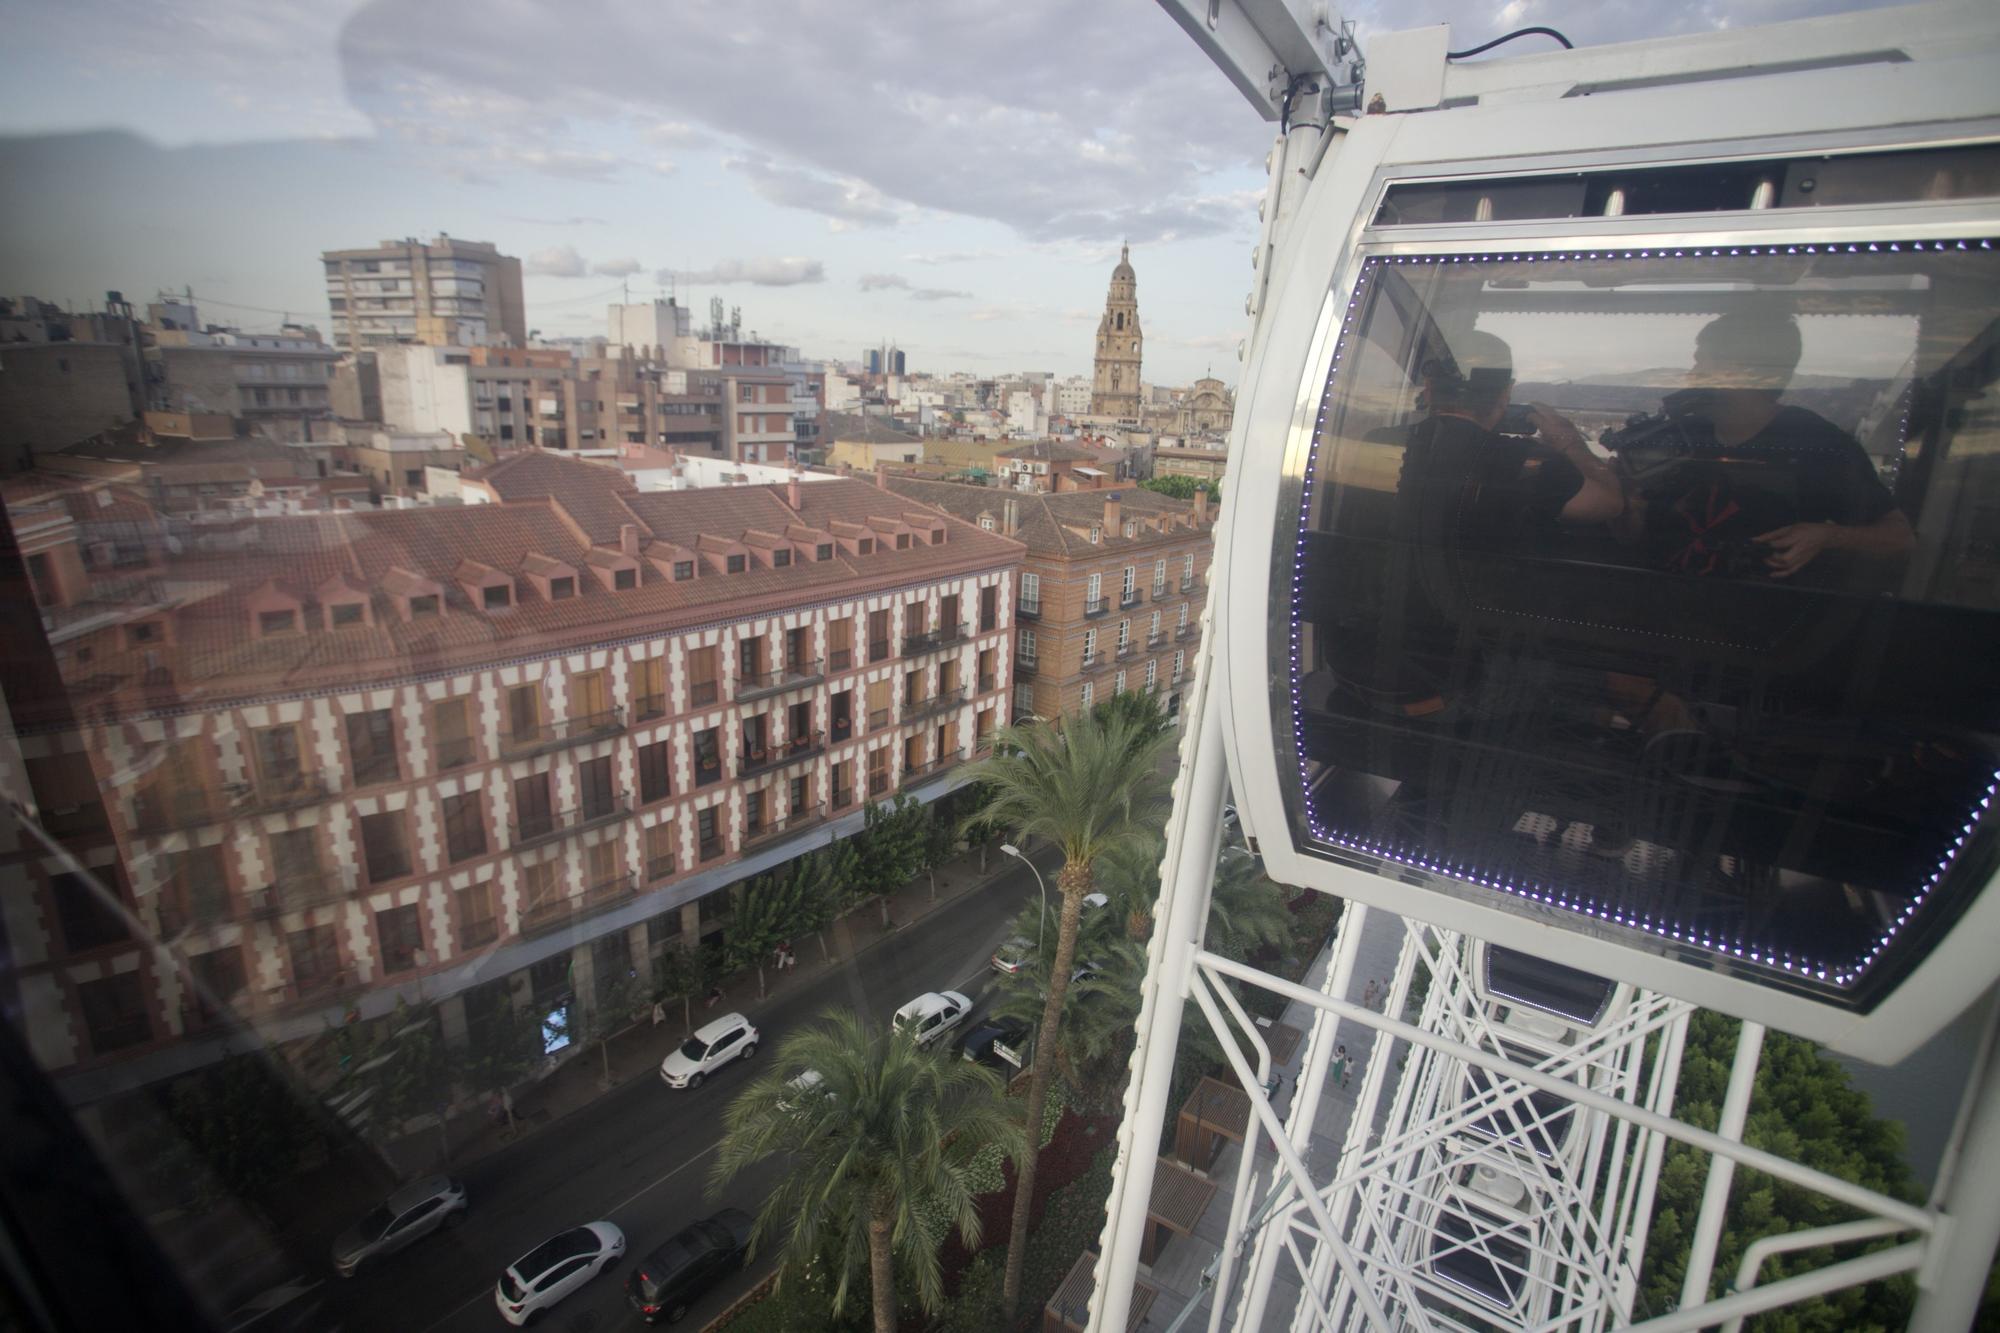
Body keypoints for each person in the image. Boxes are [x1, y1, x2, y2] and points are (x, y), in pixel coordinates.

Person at [1638, 307, 1915, 582]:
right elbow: (1640, 532)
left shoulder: (1816, 443)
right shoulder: (1684, 433)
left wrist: (1827, 536)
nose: (1692, 373)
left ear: (1739, 371)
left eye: (1702, 362)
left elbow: (1898, 537)